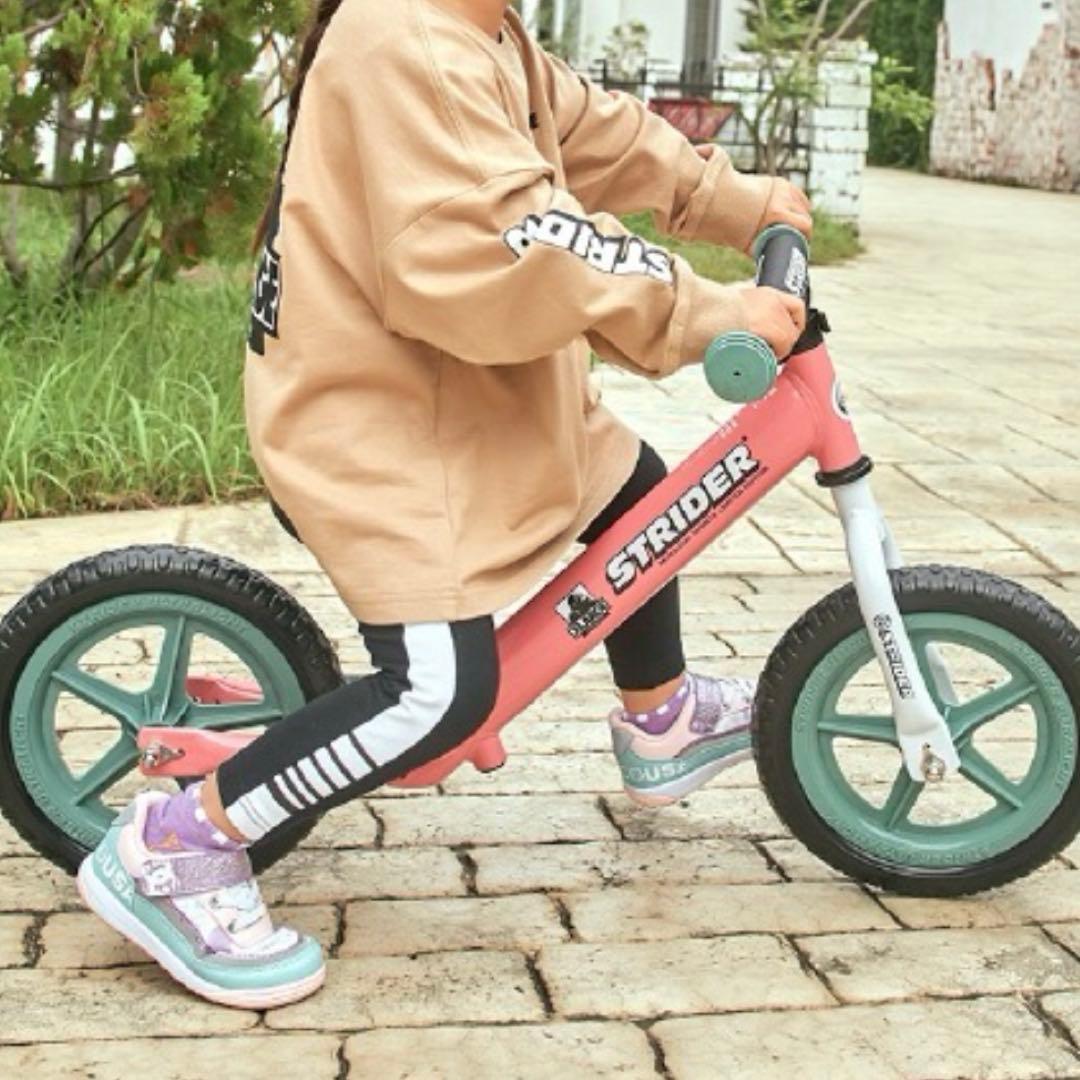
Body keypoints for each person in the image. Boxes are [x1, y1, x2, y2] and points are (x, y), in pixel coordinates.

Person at [78, 0, 811, 1008]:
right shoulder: (404, 43)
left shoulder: (481, 30)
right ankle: (177, 845)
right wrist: (710, 311)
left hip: (452, 388)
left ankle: (663, 717)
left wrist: (740, 200)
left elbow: (596, 132)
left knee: (635, 490)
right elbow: (519, 245)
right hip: (375, 425)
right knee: (441, 692)